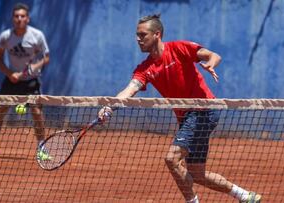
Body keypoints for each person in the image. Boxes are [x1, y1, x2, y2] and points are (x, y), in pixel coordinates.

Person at [98, 14, 262, 203]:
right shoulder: (145, 68)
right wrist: (109, 108)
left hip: (203, 109)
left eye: (143, 35)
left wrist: (211, 64)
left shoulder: (179, 48)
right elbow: (129, 90)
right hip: (187, 117)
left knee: (171, 158)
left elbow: (213, 55)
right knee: (197, 174)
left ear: (157, 34)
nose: (138, 39)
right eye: (137, 35)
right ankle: (245, 196)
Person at [0, 3, 51, 161]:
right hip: (11, 80)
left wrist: (35, 66)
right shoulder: (6, 36)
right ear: (13, 18)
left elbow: (46, 57)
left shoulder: (37, 36)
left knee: (36, 112)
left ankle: (42, 148)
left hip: (31, 81)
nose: (19, 19)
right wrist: (10, 73)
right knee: (0, 109)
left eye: (22, 16)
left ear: (28, 18)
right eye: (16, 16)